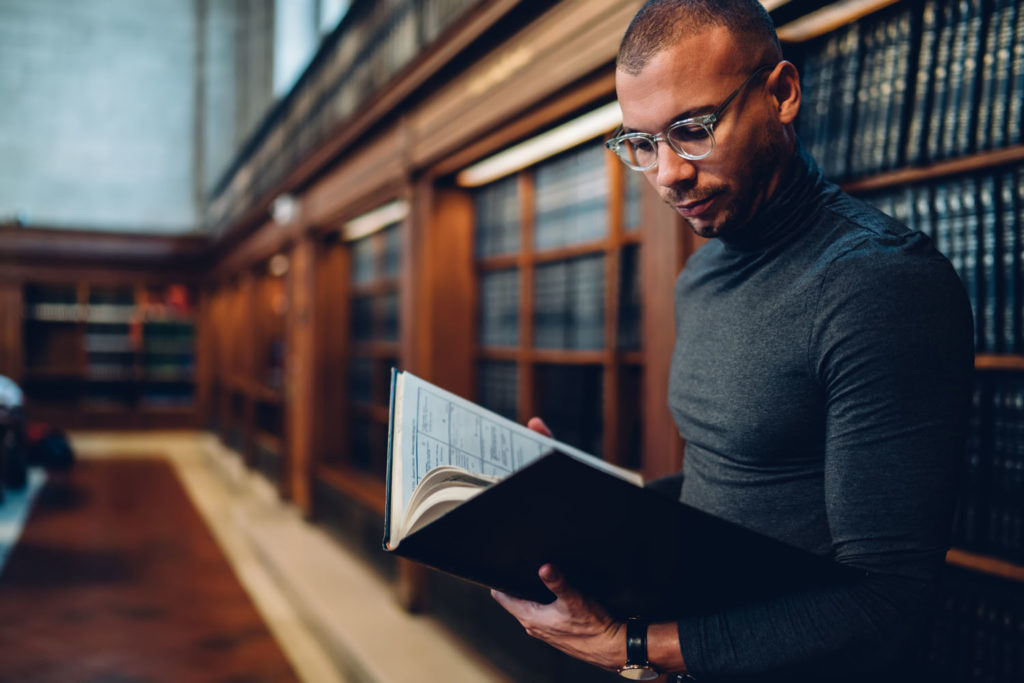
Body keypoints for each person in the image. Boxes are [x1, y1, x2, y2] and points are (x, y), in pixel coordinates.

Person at [490, 1, 974, 681]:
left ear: (781, 94)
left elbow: (888, 605)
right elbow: (737, 484)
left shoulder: (881, 287)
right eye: (643, 143)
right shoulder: (703, 272)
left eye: (692, 131)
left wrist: (628, 644)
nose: (667, 173)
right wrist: (576, 500)